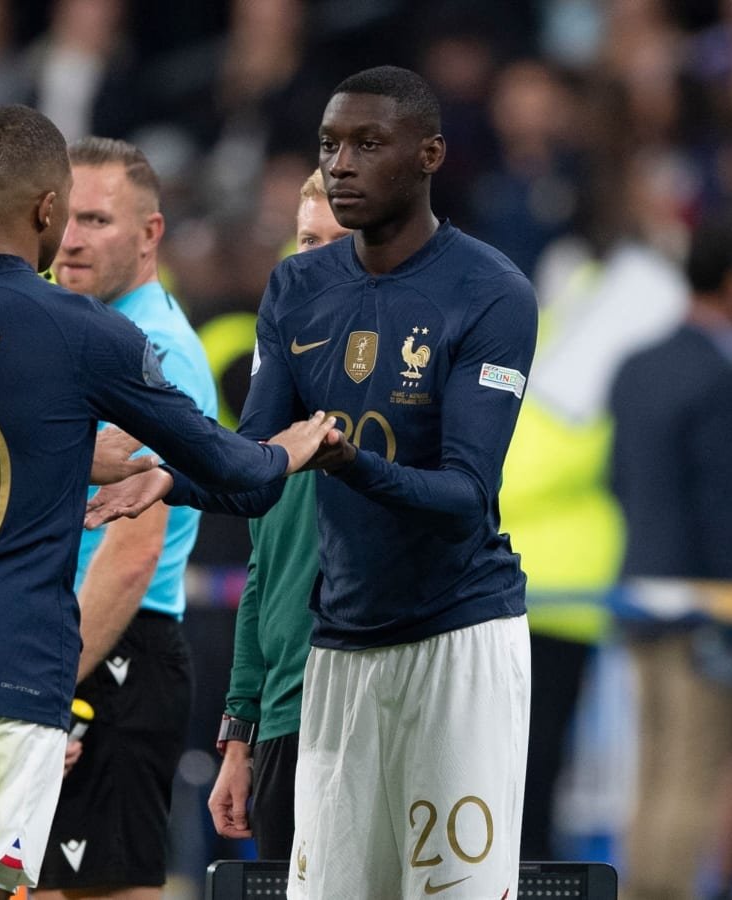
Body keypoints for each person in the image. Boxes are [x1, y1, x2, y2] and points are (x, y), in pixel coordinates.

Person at [0, 103, 336, 900]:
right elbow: (233, 471)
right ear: (48, 207)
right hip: (3, 662)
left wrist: (66, 458)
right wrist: (291, 448)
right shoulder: (79, 331)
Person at [88, 66, 538, 900]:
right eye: (330, 145)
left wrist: (344, 461)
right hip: (337, 645)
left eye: (368, 144)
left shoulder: (490, 293)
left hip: (457, 638)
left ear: (430, 155)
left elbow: (463, 500)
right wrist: (168, 479)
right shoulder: (297, 288)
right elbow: (256, 471)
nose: (341, 164)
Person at [31, 136, 217, 898]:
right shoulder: (73, 334)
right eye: (63, 218)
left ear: (149, 234)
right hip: (68, 643)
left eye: (97, 220)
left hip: (108, 648)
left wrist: (40, 691)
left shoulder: (153, 356)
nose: (71, 239)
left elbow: (132, 554)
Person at [606, 216, 732, 900]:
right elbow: (727, 507)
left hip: (638, 591)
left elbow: (617, 478)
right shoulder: (721, 376)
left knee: (651, 770)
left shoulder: (636, 365)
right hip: (703, 607)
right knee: (689, 775)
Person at [205, 168, 349, 861]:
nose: (315, 260)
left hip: (369, 712)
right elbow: (263, 575)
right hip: (285, 720)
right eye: (307, 241)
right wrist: (240, 734)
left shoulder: (409, 395)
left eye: (338, 242)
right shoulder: (277, 398)